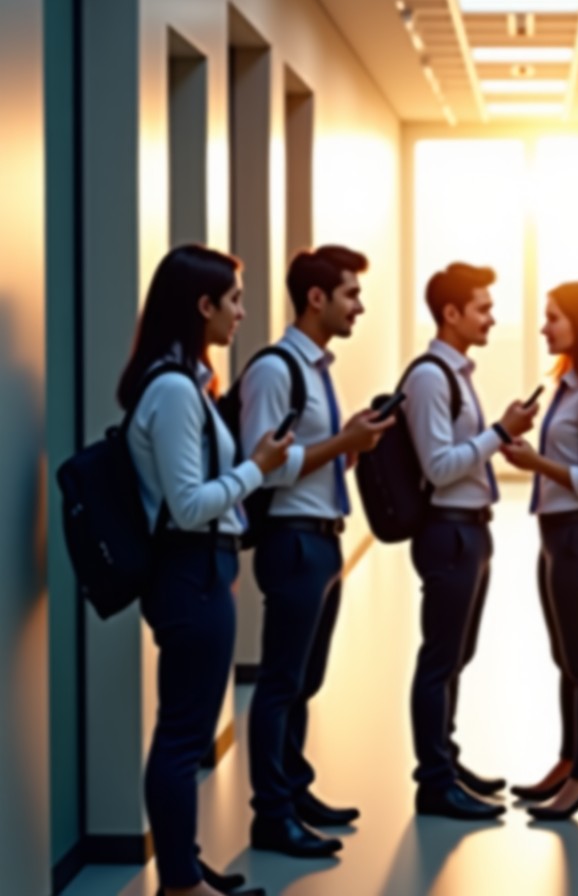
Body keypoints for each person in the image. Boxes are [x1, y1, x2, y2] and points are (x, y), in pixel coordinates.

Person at [120, 244, 291, 896]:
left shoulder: (184, 382)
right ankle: (179, 884)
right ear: (202, 306)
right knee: (183, 735)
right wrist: (258, 470)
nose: (242, 314)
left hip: (201, 571)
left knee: (184, 733)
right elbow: (189, 505)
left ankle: (184, 869)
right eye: (235, 301)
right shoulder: (171, 389)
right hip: (188, 573)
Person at [240, 246, 393, 858]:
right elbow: (264, 467)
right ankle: (270, 816)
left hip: (322, 540)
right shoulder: (276, 369)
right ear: (317, 299)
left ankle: (293, 789)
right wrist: (341, 443)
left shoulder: (317, 368)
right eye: (351, 294)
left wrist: (347, 442)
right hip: (293, 542)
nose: (360, 305)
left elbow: (307, 455)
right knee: (279, 683)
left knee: (303, 681)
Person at [402, 262, 539, 819]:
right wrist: (500, 431)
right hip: (448, 532)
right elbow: (438, 467)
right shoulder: (432, 376)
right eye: (481, 308)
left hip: (469, 530)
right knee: (440, 658)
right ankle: (434, 781)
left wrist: (494, 436)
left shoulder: (457, 373)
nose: (491, 317)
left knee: (456, 654)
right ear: (451, 314)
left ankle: (446, 761)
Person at [501, 282, 578, 823]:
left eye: (553, 318)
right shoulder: (565, 386)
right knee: (564, 661)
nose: (543, 327)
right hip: (555, 535)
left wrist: (536, 465)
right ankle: (568, 761)